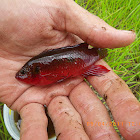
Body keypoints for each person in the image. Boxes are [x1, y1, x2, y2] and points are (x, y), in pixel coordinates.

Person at [0, 0, 139, 140]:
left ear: (35, 71)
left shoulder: (37, 68)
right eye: (23, 72)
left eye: (23, 73)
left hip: (80, 58)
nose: (20, 75)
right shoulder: (35, 68)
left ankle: (98, 53)